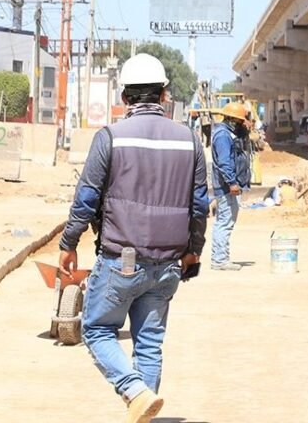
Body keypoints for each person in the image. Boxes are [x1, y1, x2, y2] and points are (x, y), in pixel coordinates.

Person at [58, 53, 208, 423]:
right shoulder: (189, 140)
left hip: (120, 260)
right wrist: (194, 252)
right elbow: (200, 206)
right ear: (164, 94)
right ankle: (144, 408)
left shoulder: (110, 137)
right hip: (169, 263)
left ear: (125, 97)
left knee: (96, 330)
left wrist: (69, 244)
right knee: (150, 344)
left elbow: (87, 198)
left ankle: (134, 391)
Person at [209, 102, 253, 270]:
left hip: (230, 185)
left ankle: (220, 258)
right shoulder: (223, 136)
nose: (242, 123)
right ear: (232, 119)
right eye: (240, 121)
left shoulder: (228, 133)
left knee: (225, 221)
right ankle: (220, 260)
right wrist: (232, 182)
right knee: (224, 222)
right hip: (226, 187)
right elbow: (224, 162)